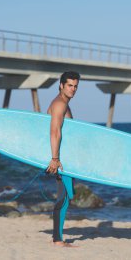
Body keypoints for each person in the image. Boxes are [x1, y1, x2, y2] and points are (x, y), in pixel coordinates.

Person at [46, 71, 80, 247]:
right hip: (60, 159)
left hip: (65, 158)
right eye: (70, 85)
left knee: (66, 195)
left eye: (75, 86)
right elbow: (55, 131)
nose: (73, 89)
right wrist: (54, 158)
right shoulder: (60, 104)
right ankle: (57, 240)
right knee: (64, 196)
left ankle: (57, 237)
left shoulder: (64, 103)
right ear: (61, 85)